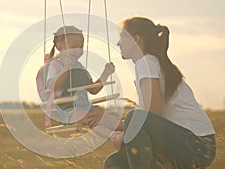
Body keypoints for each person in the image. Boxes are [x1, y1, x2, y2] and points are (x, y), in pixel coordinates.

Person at [87, 17, 216, 169]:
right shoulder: (150, 63)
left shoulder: (146, 63)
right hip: (185, 144)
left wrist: (113, 123)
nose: (118, 43)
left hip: (197, 145)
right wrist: (115, 126)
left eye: (122, 37)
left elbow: (152, 114)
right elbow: (148, 120)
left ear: (136, 39)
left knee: (134, 117)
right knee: (114, 162)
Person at [45, 25, 123, 140]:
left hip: (87, 107)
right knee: (89, 117)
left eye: (80, 47)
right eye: (74, 47)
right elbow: (54, 87)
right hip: (68, 111)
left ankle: (127, 131)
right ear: (59, 47)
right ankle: (113, 136)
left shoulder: (80, 67)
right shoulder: (55, 66)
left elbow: (93, 89)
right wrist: (66, 68)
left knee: (105, 114)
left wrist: (106, 73)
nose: (78, 50)